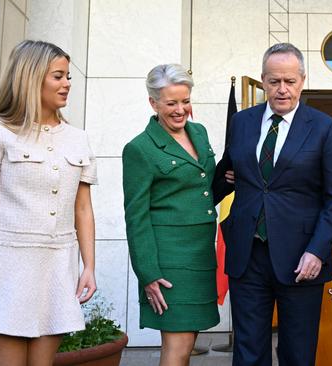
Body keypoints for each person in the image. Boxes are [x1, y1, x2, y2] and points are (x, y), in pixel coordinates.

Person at [0, 40, 97, 366]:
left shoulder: (78, 138)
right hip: (3, 271)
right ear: (31, 78)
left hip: (56, 270)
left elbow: (83, 209)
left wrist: (88, 266)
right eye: (58, 76)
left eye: (68, 76)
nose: (67, 84)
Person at [214, 43, 332, 366]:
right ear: (263, 81)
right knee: (247, 353)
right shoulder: (242, 122)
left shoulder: (324, 127)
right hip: (248, 255)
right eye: (274, 81)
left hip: (301, 259)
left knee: (297, 353)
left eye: (289, 81)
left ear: (302, 80)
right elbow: (225, 173)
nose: (282, 89)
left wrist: (317, 251)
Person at [122, 63, 223, 366]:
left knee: (187, 342)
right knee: (177, 346)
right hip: (169, 261)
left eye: (185, 101)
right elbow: (135, 216)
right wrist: (148, 273)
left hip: (200, 255)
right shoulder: (140, 149)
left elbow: (205, 186)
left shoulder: (199, 132)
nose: (181, 110)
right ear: (153, 103)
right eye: (171, 103)